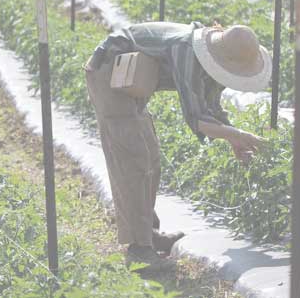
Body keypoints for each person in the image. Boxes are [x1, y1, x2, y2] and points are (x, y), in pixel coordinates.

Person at [84, 22, 271, 273]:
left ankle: (149, 235)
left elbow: (211, 109)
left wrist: (234, 139)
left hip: (134, 79)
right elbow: (197, 117)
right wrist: (237, 135)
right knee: (133, 158)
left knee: (150, 158)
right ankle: (139, 250)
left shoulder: (213, 63)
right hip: (110, 72)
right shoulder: (187, 50)